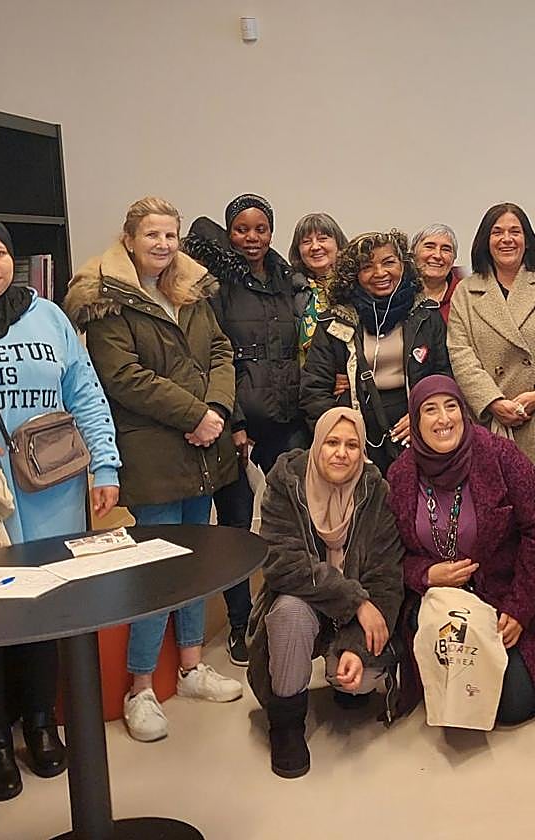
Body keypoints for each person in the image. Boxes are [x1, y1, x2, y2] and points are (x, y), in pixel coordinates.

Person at [0, 214, 121, 800]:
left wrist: (106, 466)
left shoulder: (48, 316)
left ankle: (41, 725)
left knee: (46, 614)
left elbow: (86, 394)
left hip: (54, 496)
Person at [66, 196, 244, 743]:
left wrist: (214, 412)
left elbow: (220, 352)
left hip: (203, 450)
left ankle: (190, 667)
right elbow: (122, 377)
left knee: (194, 562)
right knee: (155, 568)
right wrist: (195, 414)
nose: (163, 246)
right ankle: (140, 686)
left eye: (171, 236)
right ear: (129, 239)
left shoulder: (190, 290)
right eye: (152, 236)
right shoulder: (105, 300)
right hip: (153, 451)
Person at [387, 375, 535, 724]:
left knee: (511, 705)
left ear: (464, 411)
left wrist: (519, 607)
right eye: (430, 410)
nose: (443, 419)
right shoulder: (400, 475)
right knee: (459, 693)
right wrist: (424, 574)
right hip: (436, 604)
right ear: (415, 422)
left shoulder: (500, 456)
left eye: (451, 406)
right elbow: (387, 554)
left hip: (501, 596)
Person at [184, 193, 310, 666]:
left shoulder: (288, 280)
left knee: (292, 520)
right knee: (237, 526)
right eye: (241, 229)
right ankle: (240, 622)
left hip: (289, 419)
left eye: (260, 229)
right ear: (228, 232)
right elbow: (215, 357)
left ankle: (285, 609)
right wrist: (235, 423)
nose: (251, 238)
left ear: (271, 232)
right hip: (240, 424)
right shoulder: (216, 286)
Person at [246, 406, 404, 778]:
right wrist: (356, 601)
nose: (341, 452)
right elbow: (283, 564)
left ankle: (341, 673)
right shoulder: (286, 482)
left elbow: (386, 576)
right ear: (318, 443)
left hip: (351, 609)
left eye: (352, 445)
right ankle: (286, 724)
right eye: (332, 441)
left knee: (359, 683)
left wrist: (355, 644)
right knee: (289, 613)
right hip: (303, 602)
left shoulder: (376, 490)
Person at [300, 230, 452, 474]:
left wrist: (424, 416)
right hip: (353, 433)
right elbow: (314, 389)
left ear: (403, 266)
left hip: (415, 429)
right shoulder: (334, 322)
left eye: (389, 262)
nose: (380, 273)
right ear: (354, 275)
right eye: (367, 266)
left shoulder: (426, 315)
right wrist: (340, 435)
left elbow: (444, 377)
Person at [446, 203, 535, 463]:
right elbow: (461, 354)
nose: (506, 239)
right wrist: (492, 401)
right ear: (486, 241)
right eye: (497, 232)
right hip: (491, 420)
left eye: (515, 232)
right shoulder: (466, 291)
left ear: (527, 240)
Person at [288, 212, 348, 361]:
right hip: (305, 378)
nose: (315, 247)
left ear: (338, 244)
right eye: (306, 242)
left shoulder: (355, 286)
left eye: (322, 239)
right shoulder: (291, 289)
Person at [411, 224, 463, 322]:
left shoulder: (465, 295)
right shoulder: (398, 293)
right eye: (429, 247)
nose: (437, 255)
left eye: (446, 249)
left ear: (453, 259)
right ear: (413, 253)